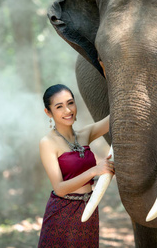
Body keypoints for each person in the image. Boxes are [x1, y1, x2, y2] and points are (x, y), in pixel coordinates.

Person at [38, 84, 114, 248]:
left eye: (70, 103)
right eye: (59, 106)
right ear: (48, 112)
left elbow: (116, 115)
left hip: (89, 208)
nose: (68, 110)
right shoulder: (47, 143)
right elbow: (59, 188)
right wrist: (95, 170)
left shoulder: (85, 134)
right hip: (62, 212)